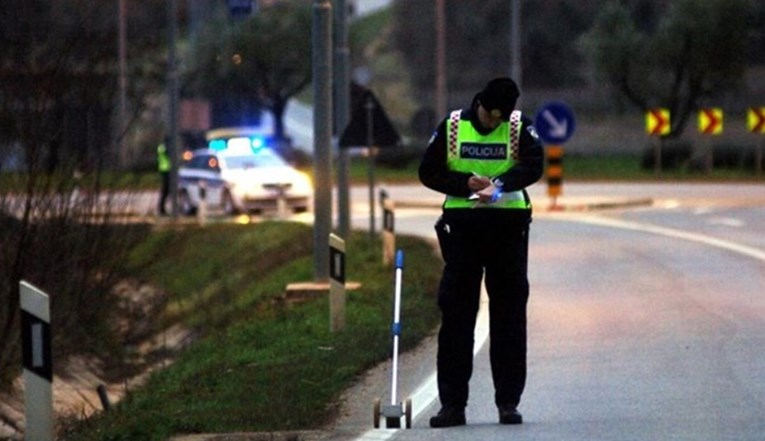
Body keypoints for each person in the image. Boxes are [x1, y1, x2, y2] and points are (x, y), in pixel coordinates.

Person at [418, 77, 544, 427]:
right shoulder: (454, 126)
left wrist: (500, 186)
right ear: (481, 106)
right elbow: (428, 171)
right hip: (463, 231)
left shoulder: (519, 126)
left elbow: (534, 166)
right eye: (492, 118)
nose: (497, 125)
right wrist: (464, 184)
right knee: (457, 316)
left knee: (509, 317)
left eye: (503, 119)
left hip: (508, 228)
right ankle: (452, 406)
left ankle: (508, 402)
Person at [157, 137, 171, 215]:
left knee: (166, 191)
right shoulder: (163, 148)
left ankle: (162, 209)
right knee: (166, 190)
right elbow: (168, 155)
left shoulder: (161, 147)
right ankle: (162, 209)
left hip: (165, 169)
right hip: (165, 170)